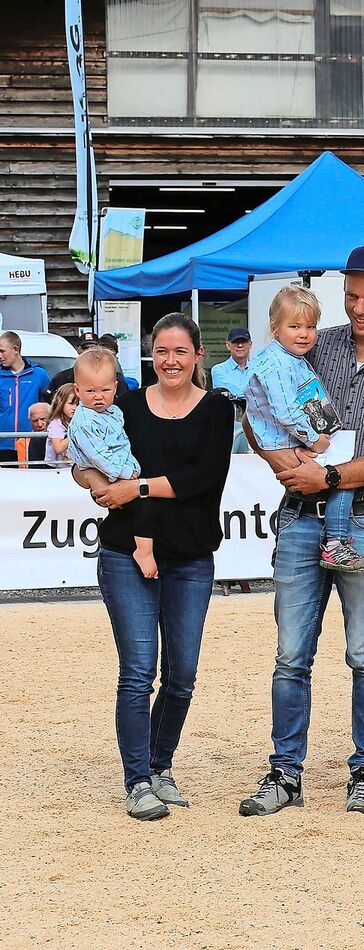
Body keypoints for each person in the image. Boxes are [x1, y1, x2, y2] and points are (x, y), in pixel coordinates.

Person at [239, 244, 364, 818]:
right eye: (351, 296)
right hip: (301, 516)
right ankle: (285, 773)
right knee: (290, 654)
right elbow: (255, 413)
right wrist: (283, 462)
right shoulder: (309, 344)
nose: (360, 307)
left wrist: (327, 475)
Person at [82, 313, 234, 821]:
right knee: (137, 672)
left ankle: (159, 764)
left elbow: (204, 478)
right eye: (162, 351)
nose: (170, 361)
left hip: (191, 556)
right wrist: (95, 483)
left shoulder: (217, 410)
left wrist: (137, 487)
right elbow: (85, 456)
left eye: (180, 351)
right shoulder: (124, 405)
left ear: (198, 355)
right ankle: (138, 780)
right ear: (152, 355)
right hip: (125, 552)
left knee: (182, 673)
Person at [244, 286, 364, 573]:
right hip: (285, 442)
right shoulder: (278, 364)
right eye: (295, 326)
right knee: (343, 475)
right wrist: (314, 440)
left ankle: (288, 544)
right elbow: (286, 412)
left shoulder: (286, 358)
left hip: (286, 439)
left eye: (310, 327)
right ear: (275, 328)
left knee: (319, 482)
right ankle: (335, 542)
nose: (304, 334)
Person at [67, 348, 157, 578]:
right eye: (90, 391)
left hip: (120, 468)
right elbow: (97, 455)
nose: (98, 396)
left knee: (139, 506)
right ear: (77, 390)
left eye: (105, 390)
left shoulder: (114, 412)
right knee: (142, 504)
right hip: (109, 471)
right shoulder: (84, 421)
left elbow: (121, 443)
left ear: (115, 387)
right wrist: (126, 472)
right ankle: (144, 552)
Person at [0, 330, 51, 463]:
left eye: (2, 351)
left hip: (31, 442)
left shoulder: (39, 375)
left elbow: (49, 407)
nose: (0, 356)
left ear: (15, 350)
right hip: (3, 443)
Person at [43, 331, 130, 403]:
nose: (89, 350)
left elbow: (124, 404)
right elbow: (50, 404)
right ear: (78, 349)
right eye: (85, 347)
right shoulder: (61, 378)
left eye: (93, 347)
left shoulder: (115, 378)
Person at [209, 327, 252, 398]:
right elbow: (226, 394)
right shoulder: (219, 370)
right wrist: (254, 393)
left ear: (250, 345)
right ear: (228, 345)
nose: (240, 345)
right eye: (236, 342)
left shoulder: (257, 369)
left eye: (244, 342)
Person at [45, 383, 78, 464]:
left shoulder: (81, 421)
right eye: (71, 403)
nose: (75, 408)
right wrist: (77, 433)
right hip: (59, 468)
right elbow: (58, 448)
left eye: (78, 404)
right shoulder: (56, 424)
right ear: (61, 403)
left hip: (76, 466)